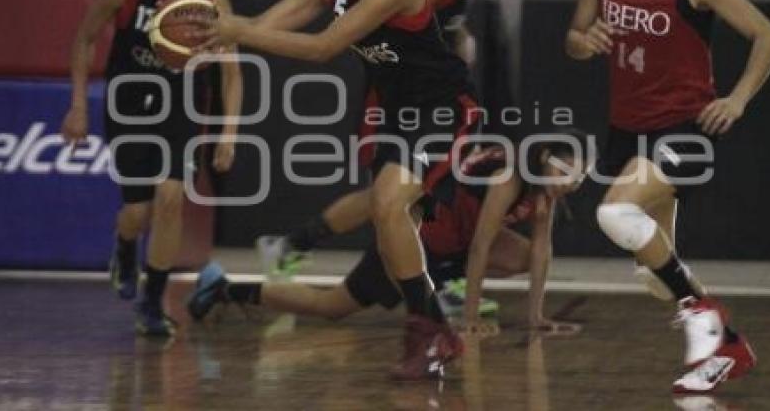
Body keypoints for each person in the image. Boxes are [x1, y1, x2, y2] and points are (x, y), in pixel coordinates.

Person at [192, 0, 478, 379]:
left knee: (388, 204)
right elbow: (260, 28)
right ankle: (434, 328)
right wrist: (209, 38)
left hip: (441, 108)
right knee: (387, 220)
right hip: (394, 112)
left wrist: (236, 29)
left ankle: (429, 331)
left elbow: (324, 47)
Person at [564, 0, 770, 393]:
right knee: (658, 277)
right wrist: (584, 39)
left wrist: (737, 99)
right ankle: (726, 342)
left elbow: (766, 36)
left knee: (615, 212)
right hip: (627, 128)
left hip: (683, 127)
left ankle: (708, 322)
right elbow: (574, 38)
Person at [255, 0, 509, 313]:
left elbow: (433, 14)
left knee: (400, 199)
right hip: (401, 92)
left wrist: (458, 34)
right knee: (392, 198)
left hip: (427, 94)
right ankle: (424, 293)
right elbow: (399, 7)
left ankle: (425, 292)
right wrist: (229, 33)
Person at [187, 132, 590, 339]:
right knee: (332, 307)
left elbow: (540, 252)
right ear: (543, 159)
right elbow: (483, 244)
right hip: (417, 239)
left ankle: (444, 284)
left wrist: (537, 316)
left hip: (454, 241)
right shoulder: (509, 178)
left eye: (576, 181)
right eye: (564, 175)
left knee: (525, 255)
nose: (568, 185)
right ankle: (223, 289)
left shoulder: (545, 189)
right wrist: (468, 318)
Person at [61, 0, 243, 337]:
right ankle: (125, 246)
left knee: (170, 197)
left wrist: (229, 133)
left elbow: (233, 71)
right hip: (130, 106)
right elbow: (83, 38)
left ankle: (152, 301)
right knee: (137, 213)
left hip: (181, 105)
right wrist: (77, 105)